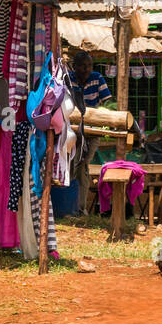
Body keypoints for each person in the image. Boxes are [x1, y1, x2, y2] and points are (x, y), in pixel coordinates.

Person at [70, 51, 112, 213]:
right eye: (82, 65)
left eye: (89, 65)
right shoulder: (69, 79)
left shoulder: (97, 78)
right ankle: (73, 206)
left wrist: (103, 117)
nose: (86, 69)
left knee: (83, 165)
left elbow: (108, 102)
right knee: (73, 165)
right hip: (73, 131)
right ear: (75, 67)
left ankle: (79, 208)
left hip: (92, 130)